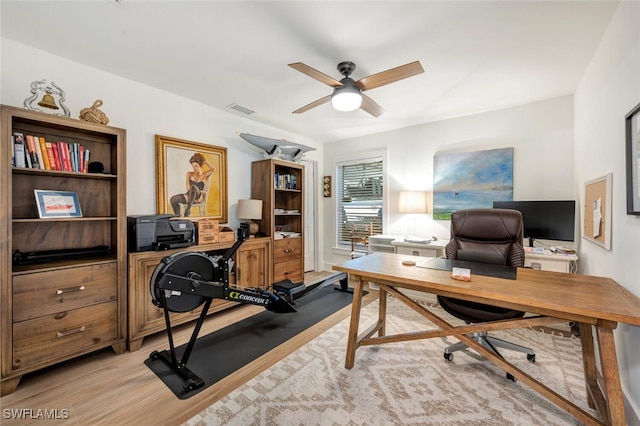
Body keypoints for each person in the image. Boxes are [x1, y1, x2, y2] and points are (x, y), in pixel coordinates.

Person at [170, 152, 215, 217]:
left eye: (196, 166)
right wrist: (203, 192)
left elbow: (213, 169)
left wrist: (205, 161)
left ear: (201, 165)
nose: (194, 168)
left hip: (199, 198)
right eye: (193, 166)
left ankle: (188, 209)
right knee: (173, 199)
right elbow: (188, 188)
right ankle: (178, 217)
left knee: (194, 187)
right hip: (189, 195)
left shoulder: (204, 175)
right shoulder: (189, 174)